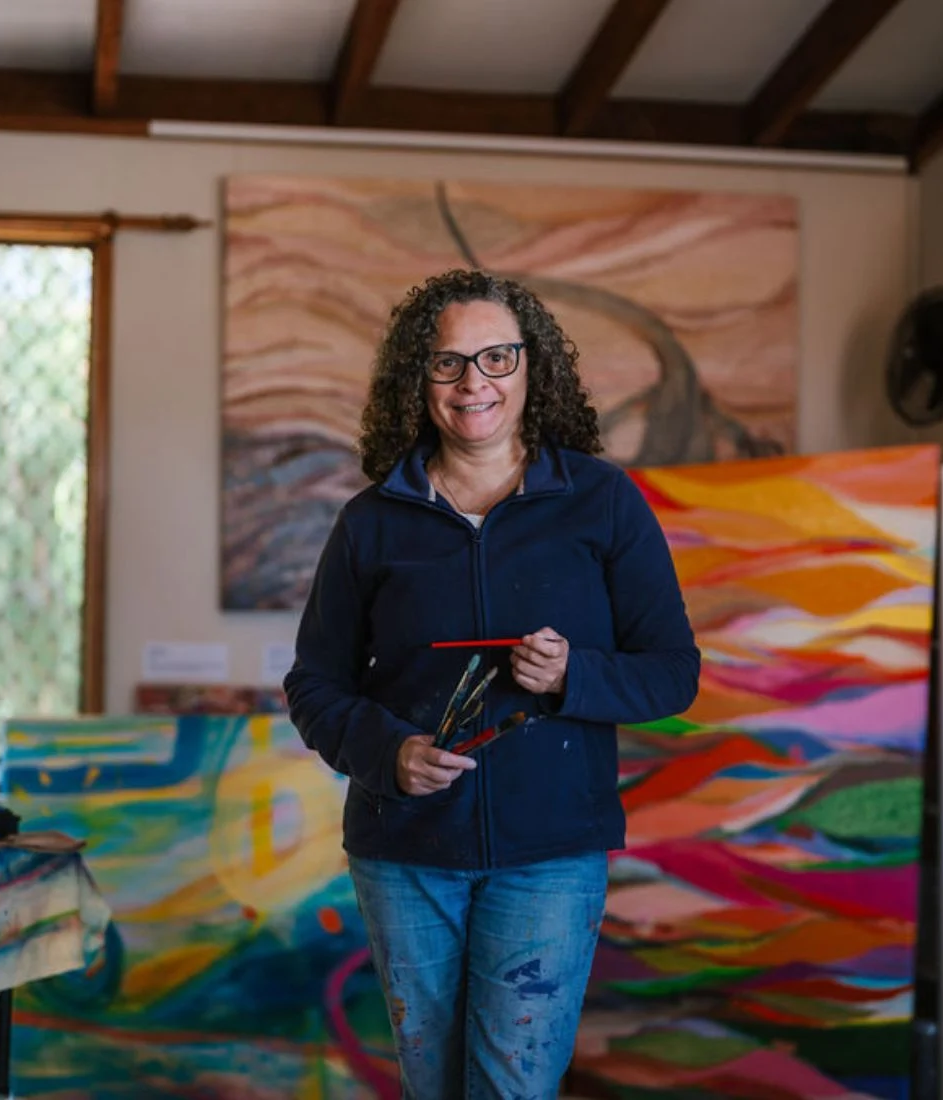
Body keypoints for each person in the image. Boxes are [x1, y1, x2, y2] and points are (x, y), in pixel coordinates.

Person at [284, 269, 700, 1099]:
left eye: (497, 358)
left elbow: (672, 673)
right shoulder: (371, 521)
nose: (475, 382)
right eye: (449, 364)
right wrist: (386, 752)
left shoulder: (603, 502)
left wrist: (573, 675)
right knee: (431, 1085)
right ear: (420, 379)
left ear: (531, 367)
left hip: (550, 854)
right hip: (404, 852)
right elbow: (315, 684)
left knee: (511, 1086)